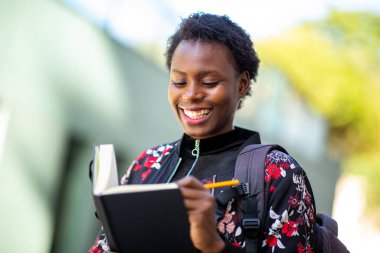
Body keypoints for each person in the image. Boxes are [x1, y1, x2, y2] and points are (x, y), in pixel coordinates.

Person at [89, 12, 316, 253]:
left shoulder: (277, 174)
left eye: (208, 83)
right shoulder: (147, 164)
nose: (191, 95)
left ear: (241, 84)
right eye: (179, 82)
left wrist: (213, 245)